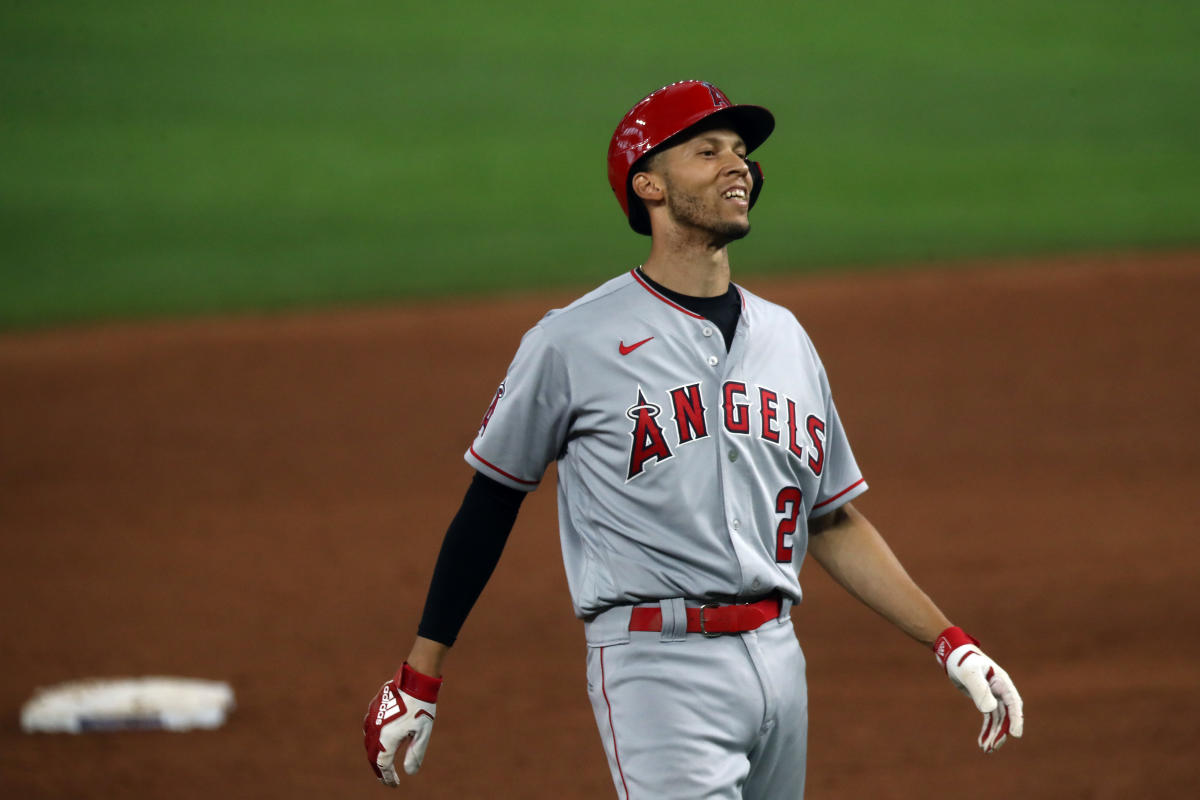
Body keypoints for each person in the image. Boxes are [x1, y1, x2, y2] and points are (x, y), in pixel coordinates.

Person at [363, 80, 1024, 798]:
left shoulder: (787, 338)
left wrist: (950, 641)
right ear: (647, 184)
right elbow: (490, 504)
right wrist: (419, 675)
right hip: (657, 666)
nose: (735, 164)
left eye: (741, 152)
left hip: (779, 659)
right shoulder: (571, 341)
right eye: (706, 151)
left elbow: (829, 518)